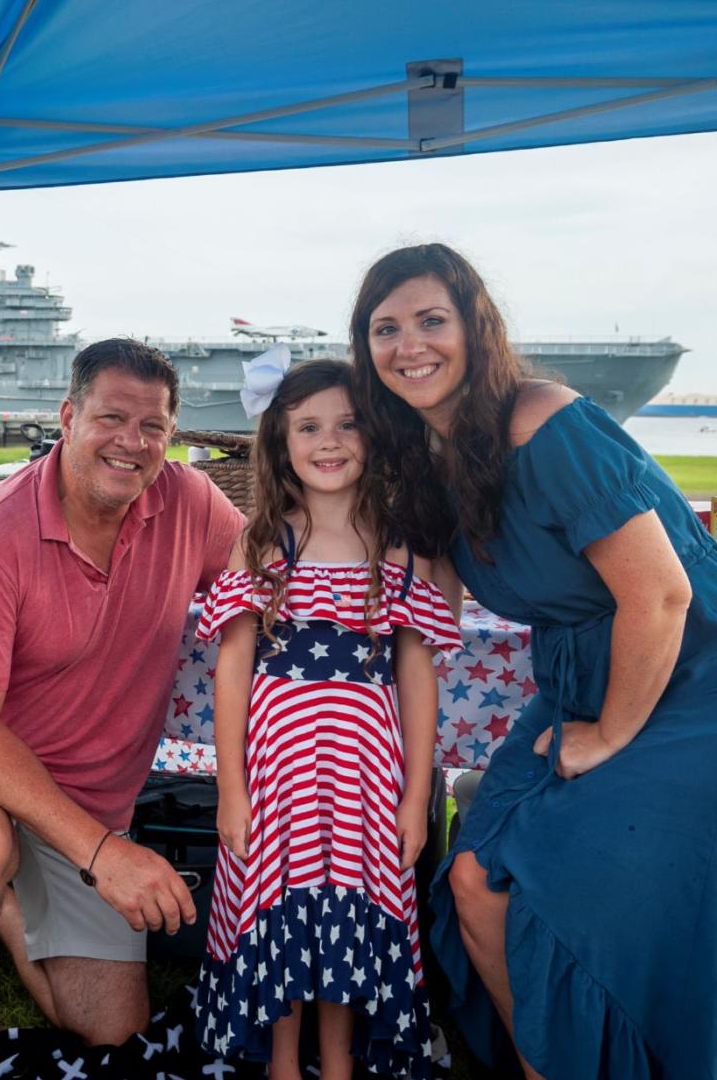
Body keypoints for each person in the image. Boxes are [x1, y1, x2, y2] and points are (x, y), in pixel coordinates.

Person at [349, 244, 717, 1079]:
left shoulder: (543, 422)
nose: (409, 344)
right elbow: (429, 607)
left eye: (430, 320)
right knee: (475, 877)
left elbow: (662, 594)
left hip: (702, 675)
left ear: (475, 327)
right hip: (582, 678)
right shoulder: (428, 456)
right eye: (386, 329)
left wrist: (611, 731)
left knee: (652, 901)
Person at [0, 338, 245, 1079]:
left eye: (153, 426)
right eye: (112, 417)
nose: (133, 442)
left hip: (86, 790)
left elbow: (265, 576)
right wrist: (105, 854)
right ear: (68, 415)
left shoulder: (190, 500)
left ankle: (5, 908)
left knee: (112, 1033)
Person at [192, 359, 458, 1080]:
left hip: (364, 777)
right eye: (309, 426)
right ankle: (282, 1060)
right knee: (279, 905)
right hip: (278, 775)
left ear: (372, 437)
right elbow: (231, 670)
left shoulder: (396, 549)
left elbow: (417, 673)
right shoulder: (261, 543)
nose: (329, 441)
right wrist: (231, 789)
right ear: (280, 441)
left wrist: (413, 796)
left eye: (346, 424)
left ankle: (337, 1059)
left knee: (348, 904)